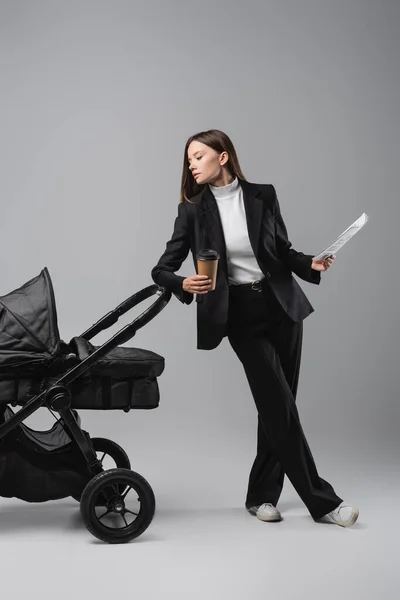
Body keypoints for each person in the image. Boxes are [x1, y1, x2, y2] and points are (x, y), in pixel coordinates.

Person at [151, 129, 359, 527]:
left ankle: (261, 496)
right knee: (278, 405)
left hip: (281, 306)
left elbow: (281, 250)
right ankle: (324, 502)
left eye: (198, 155)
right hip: (239, 314)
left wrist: (309, 263)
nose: (191, 164)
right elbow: (161, 268)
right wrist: (182, 283)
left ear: (223, 156)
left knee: (278, 407)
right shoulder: (192, 210)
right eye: (188, 159)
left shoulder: (263, 194)